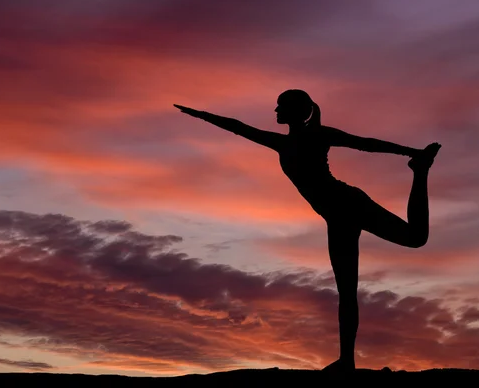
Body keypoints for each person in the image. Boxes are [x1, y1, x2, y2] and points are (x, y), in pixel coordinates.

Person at [174, 89, 441, 372]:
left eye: (280, 107)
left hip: (348, 203)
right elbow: (238, 127)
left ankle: (420, 170)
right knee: (347, 290)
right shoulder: (280, 142)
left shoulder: (319, 135)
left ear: (295, 111)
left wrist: (411, 152)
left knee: (415, 239)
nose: (275, 112)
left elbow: (365, 144)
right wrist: (199, 114)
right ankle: (347, 360)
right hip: (336, 217)